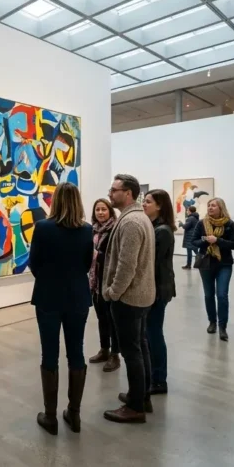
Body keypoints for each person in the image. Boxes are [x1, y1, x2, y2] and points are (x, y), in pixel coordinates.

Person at [28, 182, 92, 435]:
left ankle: (51, 417)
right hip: (78, 296)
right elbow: (87, 264)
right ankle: (74, 415)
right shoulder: (87, 229)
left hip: (48, 296)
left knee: (49, 354)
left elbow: (34, 262)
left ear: (55, 201)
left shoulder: (43, 227)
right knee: (76, 352)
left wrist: (48, 278)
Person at [101, 174, 155, 424]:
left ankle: (135, 407)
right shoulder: (137, 217)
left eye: (114, 190)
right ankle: (141, 396)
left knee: (132, 352)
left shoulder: (131, 222)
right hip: (140, 296)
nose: (110, 193)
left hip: (129, 298)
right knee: (140, 346)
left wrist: (113, 292)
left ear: (129, 193)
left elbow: (126, 265)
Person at [139, 189, 176, 399]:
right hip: (155, 286)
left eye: (148, 201)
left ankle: (159, 379)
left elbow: (151, 262)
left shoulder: (162, 231)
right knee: (149, 332)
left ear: (160, 206)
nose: (144, 204)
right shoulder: (153, 227)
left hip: (158, 289)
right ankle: (153, 376)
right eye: (144, 201)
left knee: (153, 333)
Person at [191, 197, 234, 341]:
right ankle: (212, 322)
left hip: (224, 264)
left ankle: (222, 326)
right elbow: (194, 241)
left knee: (222, 295)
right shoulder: (202, 223)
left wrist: (218, 240)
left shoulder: (229, 224)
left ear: (221, 208)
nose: (210, 208)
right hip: (206, 263)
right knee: (208, 295)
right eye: (209, 205)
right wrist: (206, 240)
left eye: (213, 205)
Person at [87, 198, 120, 372]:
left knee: (113, 320)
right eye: (97, 209)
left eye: (104, 209)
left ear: (110, 211)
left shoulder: (115, 229)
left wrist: (95, 255)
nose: (100, 212)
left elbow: (115, 256)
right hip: (96, 281)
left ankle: (115, 354)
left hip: (110, 280)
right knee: (102, 318)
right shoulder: (92, 230)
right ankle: (104, 349)